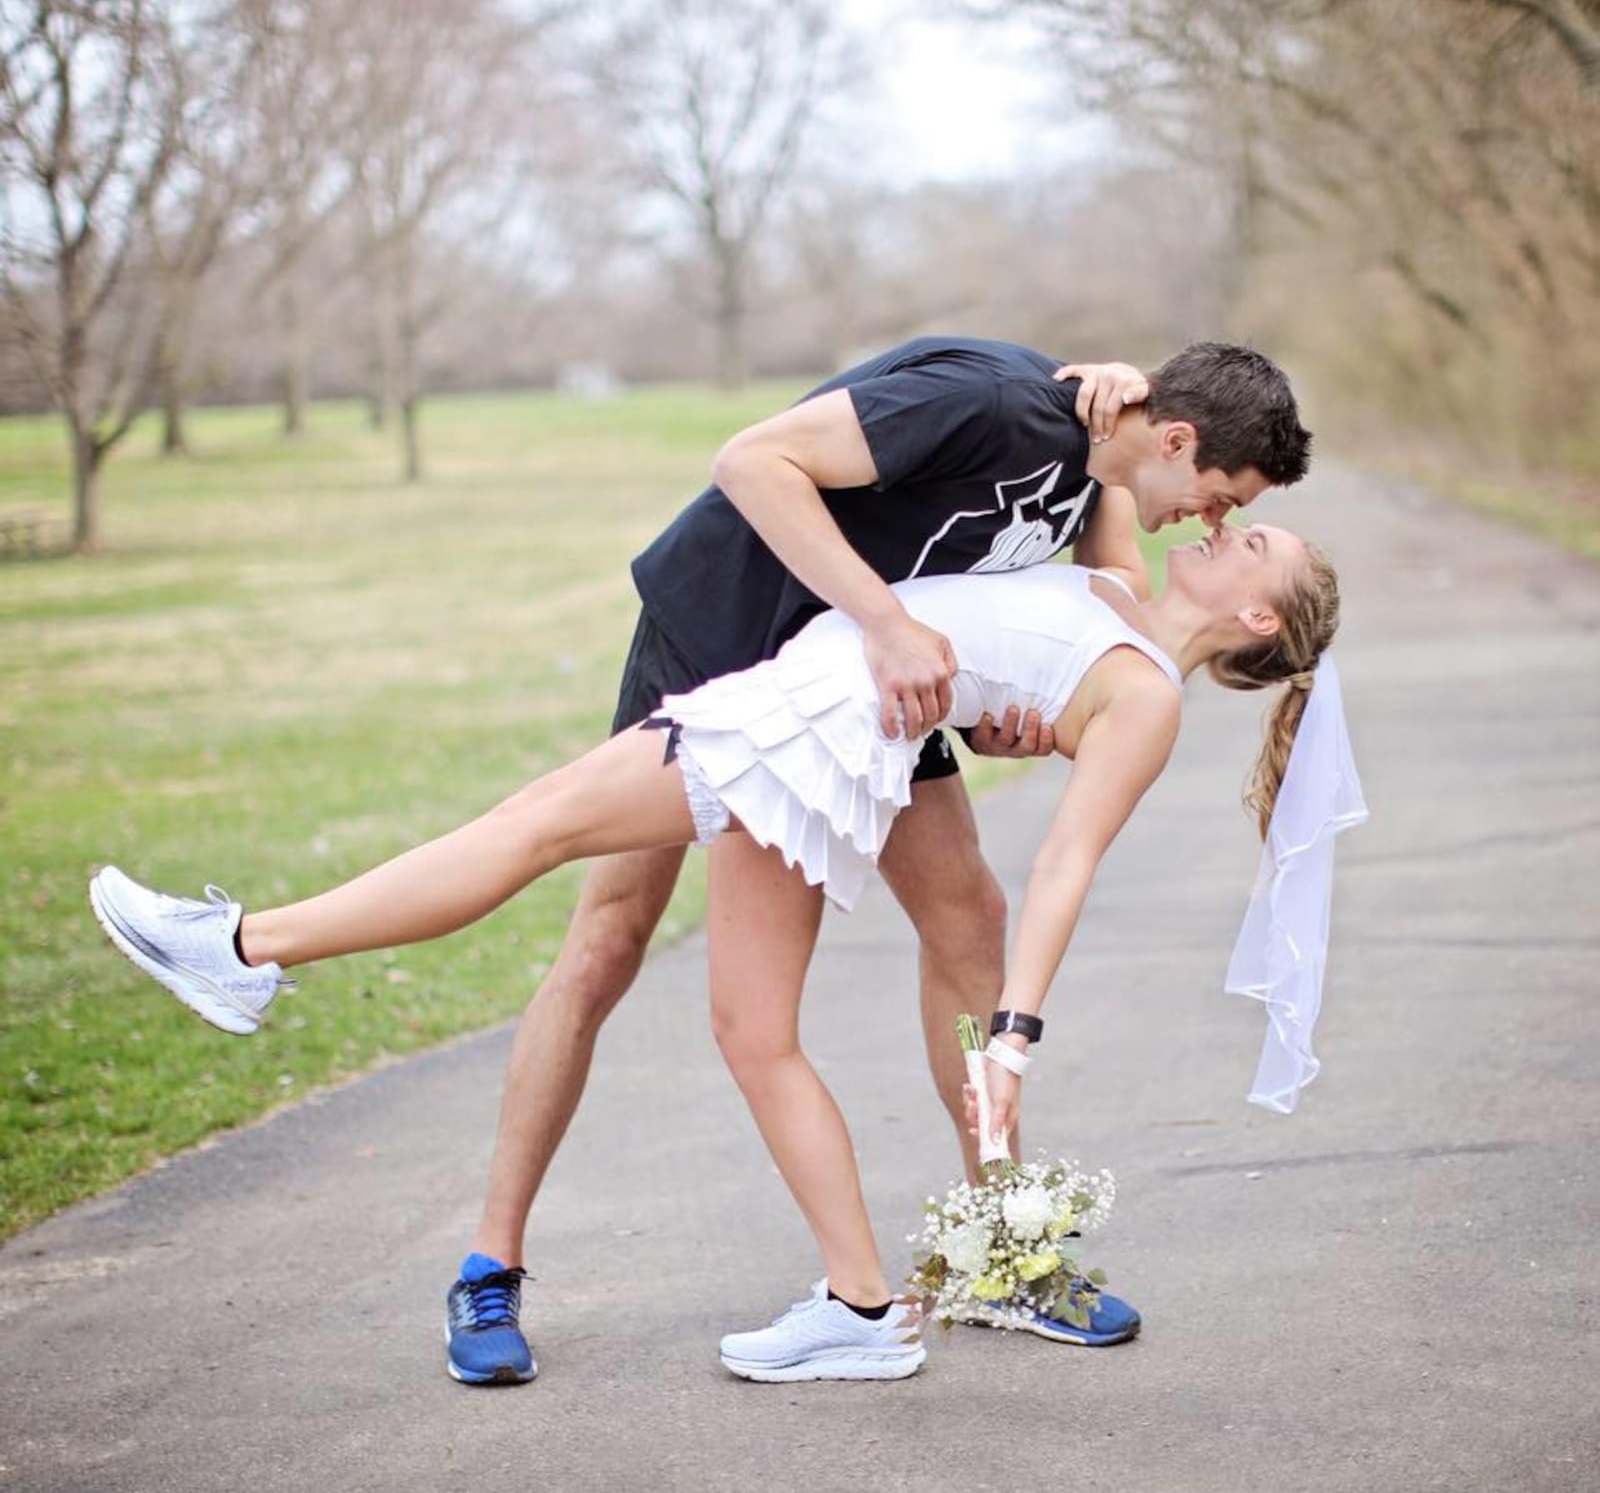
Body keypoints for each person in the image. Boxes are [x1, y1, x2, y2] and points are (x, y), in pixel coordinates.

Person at [107, 334, 1315, 1384]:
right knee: (605, 942)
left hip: (869, 703)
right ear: (1173, 435)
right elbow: (751, 461)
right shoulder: (994, 403)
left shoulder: (1097, 477)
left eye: (1237, 521)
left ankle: (992, 1251)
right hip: (742, 648)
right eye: (1223, 495)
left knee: (961, 925)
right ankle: (492, 1264)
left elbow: (1074, 646)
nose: (1215, 521)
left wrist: (999, 708)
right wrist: (899, 627)